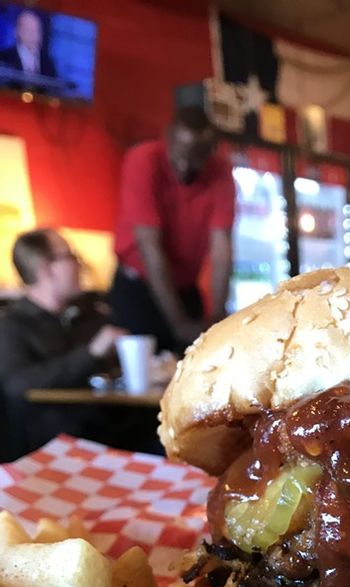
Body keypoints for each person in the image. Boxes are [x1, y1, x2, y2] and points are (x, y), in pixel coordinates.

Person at [110, 106, 235, 354]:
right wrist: (178, 324)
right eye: (179, 157)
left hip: (186, 289)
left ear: (211, 152)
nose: (185, 167)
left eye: (196, 160)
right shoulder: (143, 160)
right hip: (139, 289)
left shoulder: (220, 171)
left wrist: (219, 318)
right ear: (167, 139)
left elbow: (222, 251)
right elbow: (150, 249)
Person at [0, 229, 126, 459]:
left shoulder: (84, 314)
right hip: (49, 455)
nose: (80, 264)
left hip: (102, 437)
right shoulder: (12, 325)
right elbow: (17, 384)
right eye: (70, 256)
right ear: (46, 269)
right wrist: (91, 353)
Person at [0, 9, 58, 88]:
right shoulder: (4, 58)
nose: (35, 36)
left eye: (37, 31)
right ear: (18, 32)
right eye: (29, 31)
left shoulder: (48, 63)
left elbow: (54, 91)